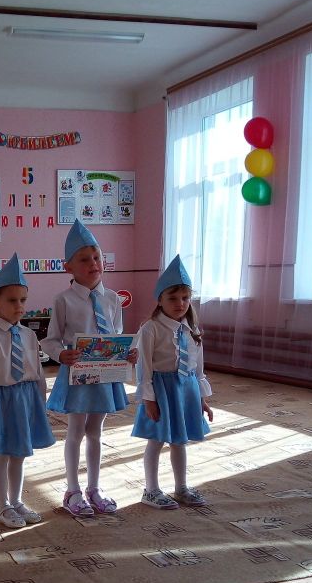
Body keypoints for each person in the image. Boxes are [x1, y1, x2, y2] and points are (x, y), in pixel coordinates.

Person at [42, 220, 136, 517]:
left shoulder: (112, 299)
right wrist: (61, 354)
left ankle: (94, 488)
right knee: (75, 431)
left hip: (105, 376)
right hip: (78, 376)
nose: (93, 264)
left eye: (97, 257)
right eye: (84, 259)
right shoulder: (63, 300)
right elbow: (50, 339)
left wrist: (127, 354)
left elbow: (116, 334)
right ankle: (72, 490)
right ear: (68, 266)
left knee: (96, 431)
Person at [0, 253, 56, 528]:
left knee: (20, 453)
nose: (19, 306)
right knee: (1, 454)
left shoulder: (30, 335)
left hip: (27, 398)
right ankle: (3, 506)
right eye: (12, 300)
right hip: (4, 400)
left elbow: (38, 371)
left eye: (23, 300)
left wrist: (41, 402)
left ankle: (17, 500)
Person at [131, 255, 214, 509]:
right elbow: (144, 368)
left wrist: (202, 399)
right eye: (173, 298)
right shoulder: (151, 328)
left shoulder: (192, 329)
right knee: (156, 440)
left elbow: (197, 368)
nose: (180, 304)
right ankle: (151, 490)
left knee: (180, 440)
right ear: (160, 299)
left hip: (186, 390)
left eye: (185, 298)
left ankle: (181, 487)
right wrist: (148, 399)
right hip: (162, 391)